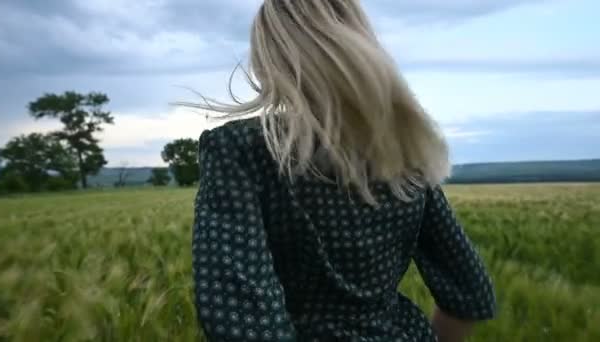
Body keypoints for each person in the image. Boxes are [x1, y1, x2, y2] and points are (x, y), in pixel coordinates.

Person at [189, 0, 497, 341]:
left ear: (269, 57)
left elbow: (241, 320)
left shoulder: (243, 149)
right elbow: (471, 294)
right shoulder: (403, 153)